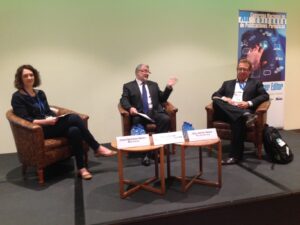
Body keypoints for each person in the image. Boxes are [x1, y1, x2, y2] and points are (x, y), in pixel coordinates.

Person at [11, 65, 117, 180]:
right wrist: (45, 122)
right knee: (75, 118)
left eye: (31, 75)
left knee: (74, 130)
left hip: (50, 124)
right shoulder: (17, 97)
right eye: (25, 76)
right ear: (20, 79)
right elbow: (25, 119)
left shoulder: (40, 93)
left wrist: (53, 117)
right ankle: (96, 147)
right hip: (38, 130)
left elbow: (46, 110)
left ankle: (82, 168)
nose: (29, 78)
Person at [212, 59, 269, 165]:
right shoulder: (227, 83)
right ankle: (245, 115)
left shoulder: (256, 83)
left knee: (237, 120)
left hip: (242, 109)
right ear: (237, 70)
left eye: (245, 69)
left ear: (249, 71)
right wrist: (226, 99)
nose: (242, 71)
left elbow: (265, 96)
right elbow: (215, 94)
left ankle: (234, 156)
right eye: (240, 69)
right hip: (227, 111)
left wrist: (248, 103)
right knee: (216, 100)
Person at [120, 64, 177, 166]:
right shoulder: (128, 86)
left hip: (154, 112)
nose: (147, 73)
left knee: (165, 119)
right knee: (137, 121)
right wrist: (130, 108)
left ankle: (158, 150)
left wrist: (168, 87)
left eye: (148, 71)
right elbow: (123, 99)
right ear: (138, 72)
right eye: (144, 71)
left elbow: (162, 99)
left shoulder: (153, 84)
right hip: (140, 113)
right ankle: (145, 153)